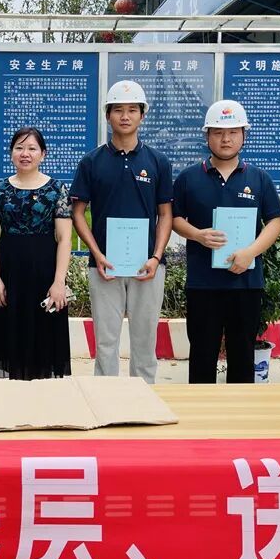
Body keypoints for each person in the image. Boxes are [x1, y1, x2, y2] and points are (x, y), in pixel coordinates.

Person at [172, 100, 280, 384]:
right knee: (202, 354)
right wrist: (197, 234)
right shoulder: (188, 178)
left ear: (244, 135)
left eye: (233, 132)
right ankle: (201, 409)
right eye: (218, 132)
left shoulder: (259, 179)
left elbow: (275, 221)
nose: (226, 139)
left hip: (245, 283)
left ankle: (240, 411)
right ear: (207, 136)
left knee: (242, 356)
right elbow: (174, 218)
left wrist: (251, 252)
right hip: (203, 284)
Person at [71, 80, 173, 384]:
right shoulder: (91, 162)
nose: (125, 116)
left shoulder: (158, 161)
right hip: (105, 266)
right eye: (118, 110)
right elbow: (78, 213)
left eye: (132, 110)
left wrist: (156, 257)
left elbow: (165, 214)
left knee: (145, 341)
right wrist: (97, 254)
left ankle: (145, 397)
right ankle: (106, 400)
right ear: (108, 115)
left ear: (142, 115)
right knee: (106, 342)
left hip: (148, 266)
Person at [0, 127, 72, 380]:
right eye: (19, 148)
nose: (25, 153)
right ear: (11, 153)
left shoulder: (56, 190)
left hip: (45, 274)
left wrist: (59, 282)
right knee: (9, 337)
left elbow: (64, 238)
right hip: (9, 273)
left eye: (32, 148)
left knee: (44, 340)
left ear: (43, 154)